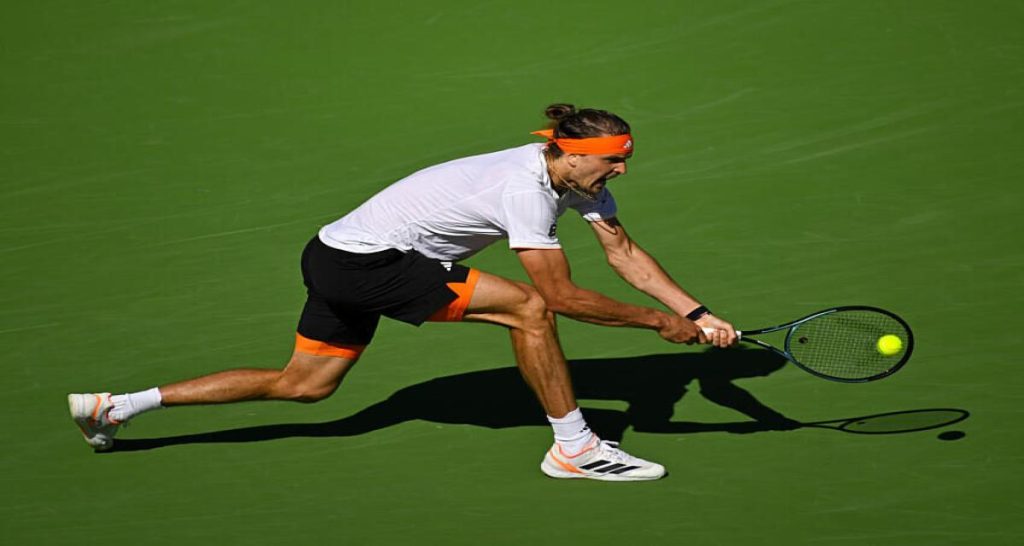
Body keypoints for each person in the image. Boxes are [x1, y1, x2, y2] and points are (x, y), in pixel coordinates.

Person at [68, 103, 738, 481]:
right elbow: (559, 296)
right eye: (613, 160)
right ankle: (575, 448)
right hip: (369, 264)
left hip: (332, 254)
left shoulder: (577, 182)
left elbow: (624, 253)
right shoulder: (524, 190)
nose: (621, 170)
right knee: (530, 308)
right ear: (570, 153)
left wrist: (697, 313)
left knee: (304, 385)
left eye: (624, 159)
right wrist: (658, 324)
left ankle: (115, 406)